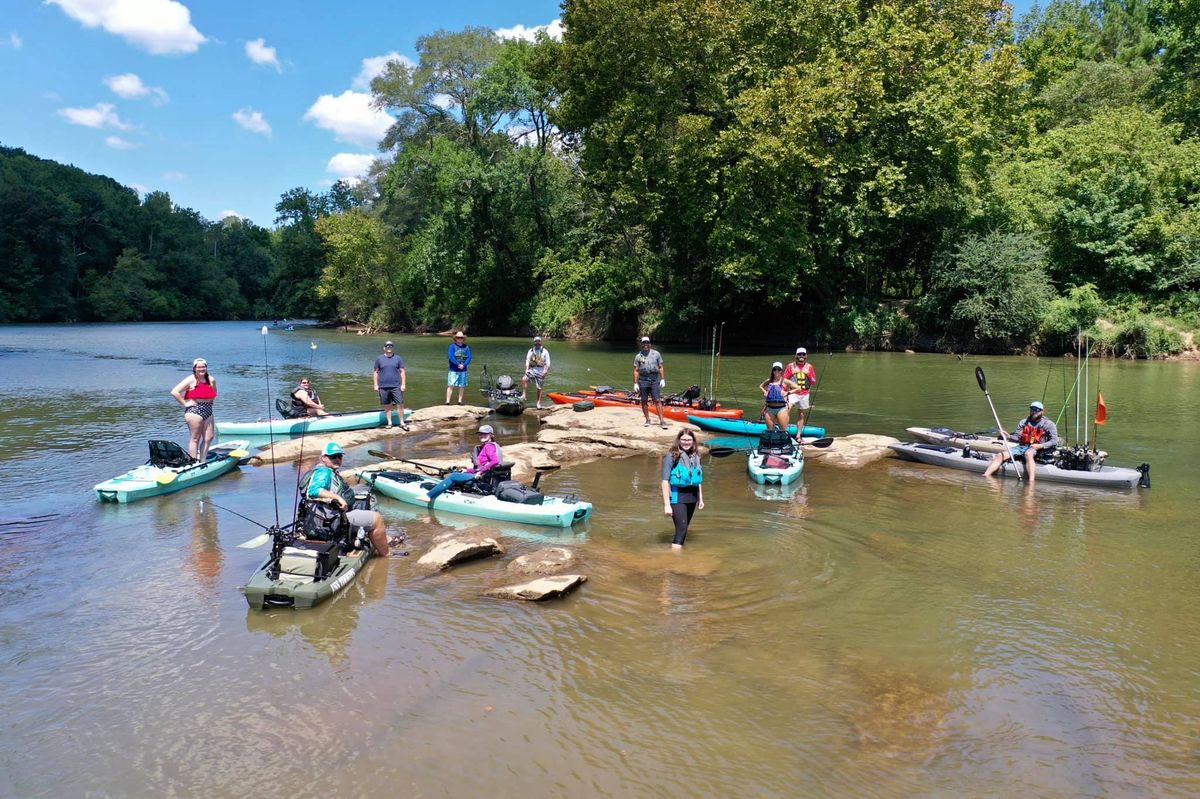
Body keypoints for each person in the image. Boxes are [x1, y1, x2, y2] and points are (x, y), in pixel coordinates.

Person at [304, 442, 396, 556]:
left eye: (339, 456)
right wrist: (338, 497)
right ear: (324, 458)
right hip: (332, 519)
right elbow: (313, 490)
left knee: (361, 504)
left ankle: (383, 538)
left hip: (323, 516)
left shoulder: (321, 470)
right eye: (333, 457)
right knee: (377, 519)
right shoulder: (324, 472)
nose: (337, 459)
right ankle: (386, 554)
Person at [982, 400, 1060, 487]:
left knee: (1028, 454)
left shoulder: (1049, 424)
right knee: (1000, 455)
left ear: (1042, 411)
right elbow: (1017, 438)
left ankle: (1031, 482)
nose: (1034, 411)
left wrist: (1040, 445)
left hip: (1036, 448)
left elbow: (1054, 441)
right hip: (1021, 446)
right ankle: (986, 475)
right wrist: (1008, 436)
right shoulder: (1023, 422)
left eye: (1037, 410)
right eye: (1032, 409)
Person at [424, 424, 504, 502]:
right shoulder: (492, 446)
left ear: (491, 435)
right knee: (457, 472)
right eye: (480, 434)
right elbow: (480, 467)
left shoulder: (488, 446)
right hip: (483, 475)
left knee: (454, 476)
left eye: (485, 434)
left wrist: (480, 472)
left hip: (482, 478)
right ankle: (445, 488)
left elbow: (495, 461)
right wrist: (467, 471)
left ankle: (429, 496)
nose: (482, 435)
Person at [661, 429, 704, 549]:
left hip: (692, 496)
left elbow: (698, 478)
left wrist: (700, 498)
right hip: (677, 496)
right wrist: (666, 505)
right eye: (684, 439)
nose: (686, 442)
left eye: (689, 440)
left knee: (684, 529)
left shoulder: (696, 456)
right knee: (682, 529)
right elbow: (665, 482)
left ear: (693, 441)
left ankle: (679, 554)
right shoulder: (671, 456)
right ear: (679, 440)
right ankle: (675, 562)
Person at [170, 358, 218, 464]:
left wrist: (208, 401)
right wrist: (185, 403)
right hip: (194, 410)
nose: (201, 369)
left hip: (208, 410)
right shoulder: (191, 379)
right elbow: (175, 392)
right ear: (194, 368)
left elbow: (214, 393)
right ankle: (193, 462)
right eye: (199, 367)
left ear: (206, 367)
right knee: (195, 438)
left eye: (203, 366)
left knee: (209, 437)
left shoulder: (211, 379)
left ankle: (203, 461)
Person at [634, 336, 668, 429]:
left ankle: (662, 421)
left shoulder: (656, 354)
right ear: (642, 344)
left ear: (650, 344)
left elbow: (660, 366)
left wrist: (662, 379)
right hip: (643, 380)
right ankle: (647, 420)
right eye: (644, 343)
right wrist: (635, 383)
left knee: (657, 400)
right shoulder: (638, 356)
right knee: (644, 400)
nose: (646, 345)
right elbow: (636, 370)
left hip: (654, 380)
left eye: (647, 343)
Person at [373, 340, 409, 431]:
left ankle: (402, 422)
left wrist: (403, 384)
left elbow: (402, 372)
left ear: (393, 348)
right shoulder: (379, 359)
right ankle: (390, 423)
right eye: (387, 347)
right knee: (387, 405)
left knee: (400, 404)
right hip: (383, 386)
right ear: (384, 348)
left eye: (391, 346)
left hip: (396, 386)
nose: (389, 348)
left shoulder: (398, 358)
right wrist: (375, 384)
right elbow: (375, 372)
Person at [782, 347, 818, 432]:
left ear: (806, 356)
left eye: (803, 354)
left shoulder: (809, 367)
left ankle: (798, 435)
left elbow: (813, 381)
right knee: (786, 410)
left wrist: (808, 374)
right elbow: (784, 380)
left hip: (804, 394)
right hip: (792, 393)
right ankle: (784, 431)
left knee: (801, 414)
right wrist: (783, 391)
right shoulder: (790, 366)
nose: (801, 356)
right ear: (796, 356)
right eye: (799, 354)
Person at [759, 362, 800, 433]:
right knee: (770, 431)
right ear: (772, 370)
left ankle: (784, 443)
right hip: (769, 409)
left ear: (781, 371)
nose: (776, 371)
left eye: (778, 369)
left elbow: (798, 388)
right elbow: (761, 386)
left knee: (783, 431)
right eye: (775, 369)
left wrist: (788, 393)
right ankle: (772, 443)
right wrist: (765, 391)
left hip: (781, 409)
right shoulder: (769, 381)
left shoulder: (785, 381)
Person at [522, 336, 552, 409]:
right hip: (532, 370)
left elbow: (548, 363)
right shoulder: (531, 351)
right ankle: (524, 394)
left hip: (541, 371)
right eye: (536, 342)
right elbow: (527, 360)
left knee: (539, 388)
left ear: (540, 342)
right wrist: (526, 369)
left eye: (538, 341)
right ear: (534, 342)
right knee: (524, 379)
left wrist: (545, 372)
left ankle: (538, 403)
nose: (537, 343)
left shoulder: (545, 351)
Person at [446, 331, 472, 406]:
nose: (459, 339)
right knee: (451, 385)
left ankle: (459, 401)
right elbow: (451, 357)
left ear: (463, 338)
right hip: (453, 370)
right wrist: (458, 364)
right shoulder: (452, 346)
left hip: (463, 370)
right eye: (458, 337)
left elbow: (469, 357)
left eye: (461, 337)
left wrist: (464, 365)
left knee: (462, 385)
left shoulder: (466, 347)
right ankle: (447, 402)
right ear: (455, 338)